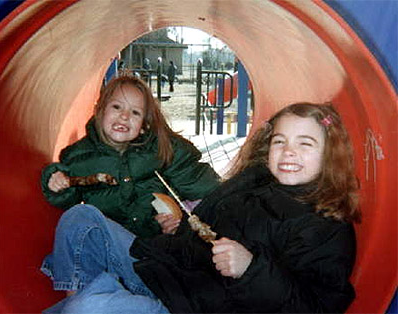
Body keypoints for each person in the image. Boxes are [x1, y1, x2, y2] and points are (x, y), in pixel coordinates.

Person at [42, 102, 361, 314]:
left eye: (305, 143)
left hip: (194, 307)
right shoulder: (252, 181)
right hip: (168, 272)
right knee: (83, 219)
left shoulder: (326, 225)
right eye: (280, 141)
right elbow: (203, 227)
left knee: (91, 309)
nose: (289, 152)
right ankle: (88, 295)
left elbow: (316, 307)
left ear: (330, 155)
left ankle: (95, 300)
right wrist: (179, 229)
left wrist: (252, 269)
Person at [40, 75, 219, 240]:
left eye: (135, 113)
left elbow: (193, 178)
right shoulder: (79, 156)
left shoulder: (156, 151)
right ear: (99, 110)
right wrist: (56, 182)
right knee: (78, 217)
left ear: (143, 124)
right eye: (117, 107)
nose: (124, 116)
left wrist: (166, 224)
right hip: (109, 243)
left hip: (149, 246)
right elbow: (67, 200)